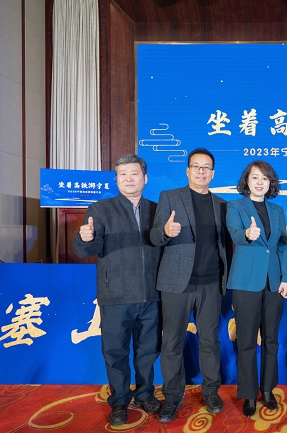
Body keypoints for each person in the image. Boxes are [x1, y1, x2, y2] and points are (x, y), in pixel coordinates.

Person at [73, 154, 162, 427]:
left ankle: (145, 393)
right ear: (116, 180)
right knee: (115, 352)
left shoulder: (157, 210)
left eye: (134, 173)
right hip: (116, 295)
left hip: (151, 294)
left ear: (145, 178)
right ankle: (120, 401)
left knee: (148, 350)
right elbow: (88, 249)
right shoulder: (100, 209)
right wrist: (85, 238)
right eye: (123, 174)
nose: (128, 179)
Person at [150, 148, 231, 423]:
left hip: (211, 283)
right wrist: (165, 231)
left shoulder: (222, 204)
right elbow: (153, 236)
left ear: (213, 173)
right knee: (172, 342)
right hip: (176, 283)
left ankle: (211, 391)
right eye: (196, 166)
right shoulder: (170, 197)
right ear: (187, 171)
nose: (201, 171)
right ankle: (173, 396)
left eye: (206, 167)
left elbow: (225, 246)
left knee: (210, 341)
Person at [226, 160, 287, 417]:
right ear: (247, 181)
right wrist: (247, 234)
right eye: (255, 177)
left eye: (265, 178)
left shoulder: (277, 210)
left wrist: (286, 278)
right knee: (246, 341)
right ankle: (248, 394)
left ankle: (267, 390)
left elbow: (282, 246)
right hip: (245, 282)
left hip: (274, 283)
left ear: (270, 182)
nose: (260, 182)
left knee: (271, 339)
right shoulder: (235, 206)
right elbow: (235, 233)